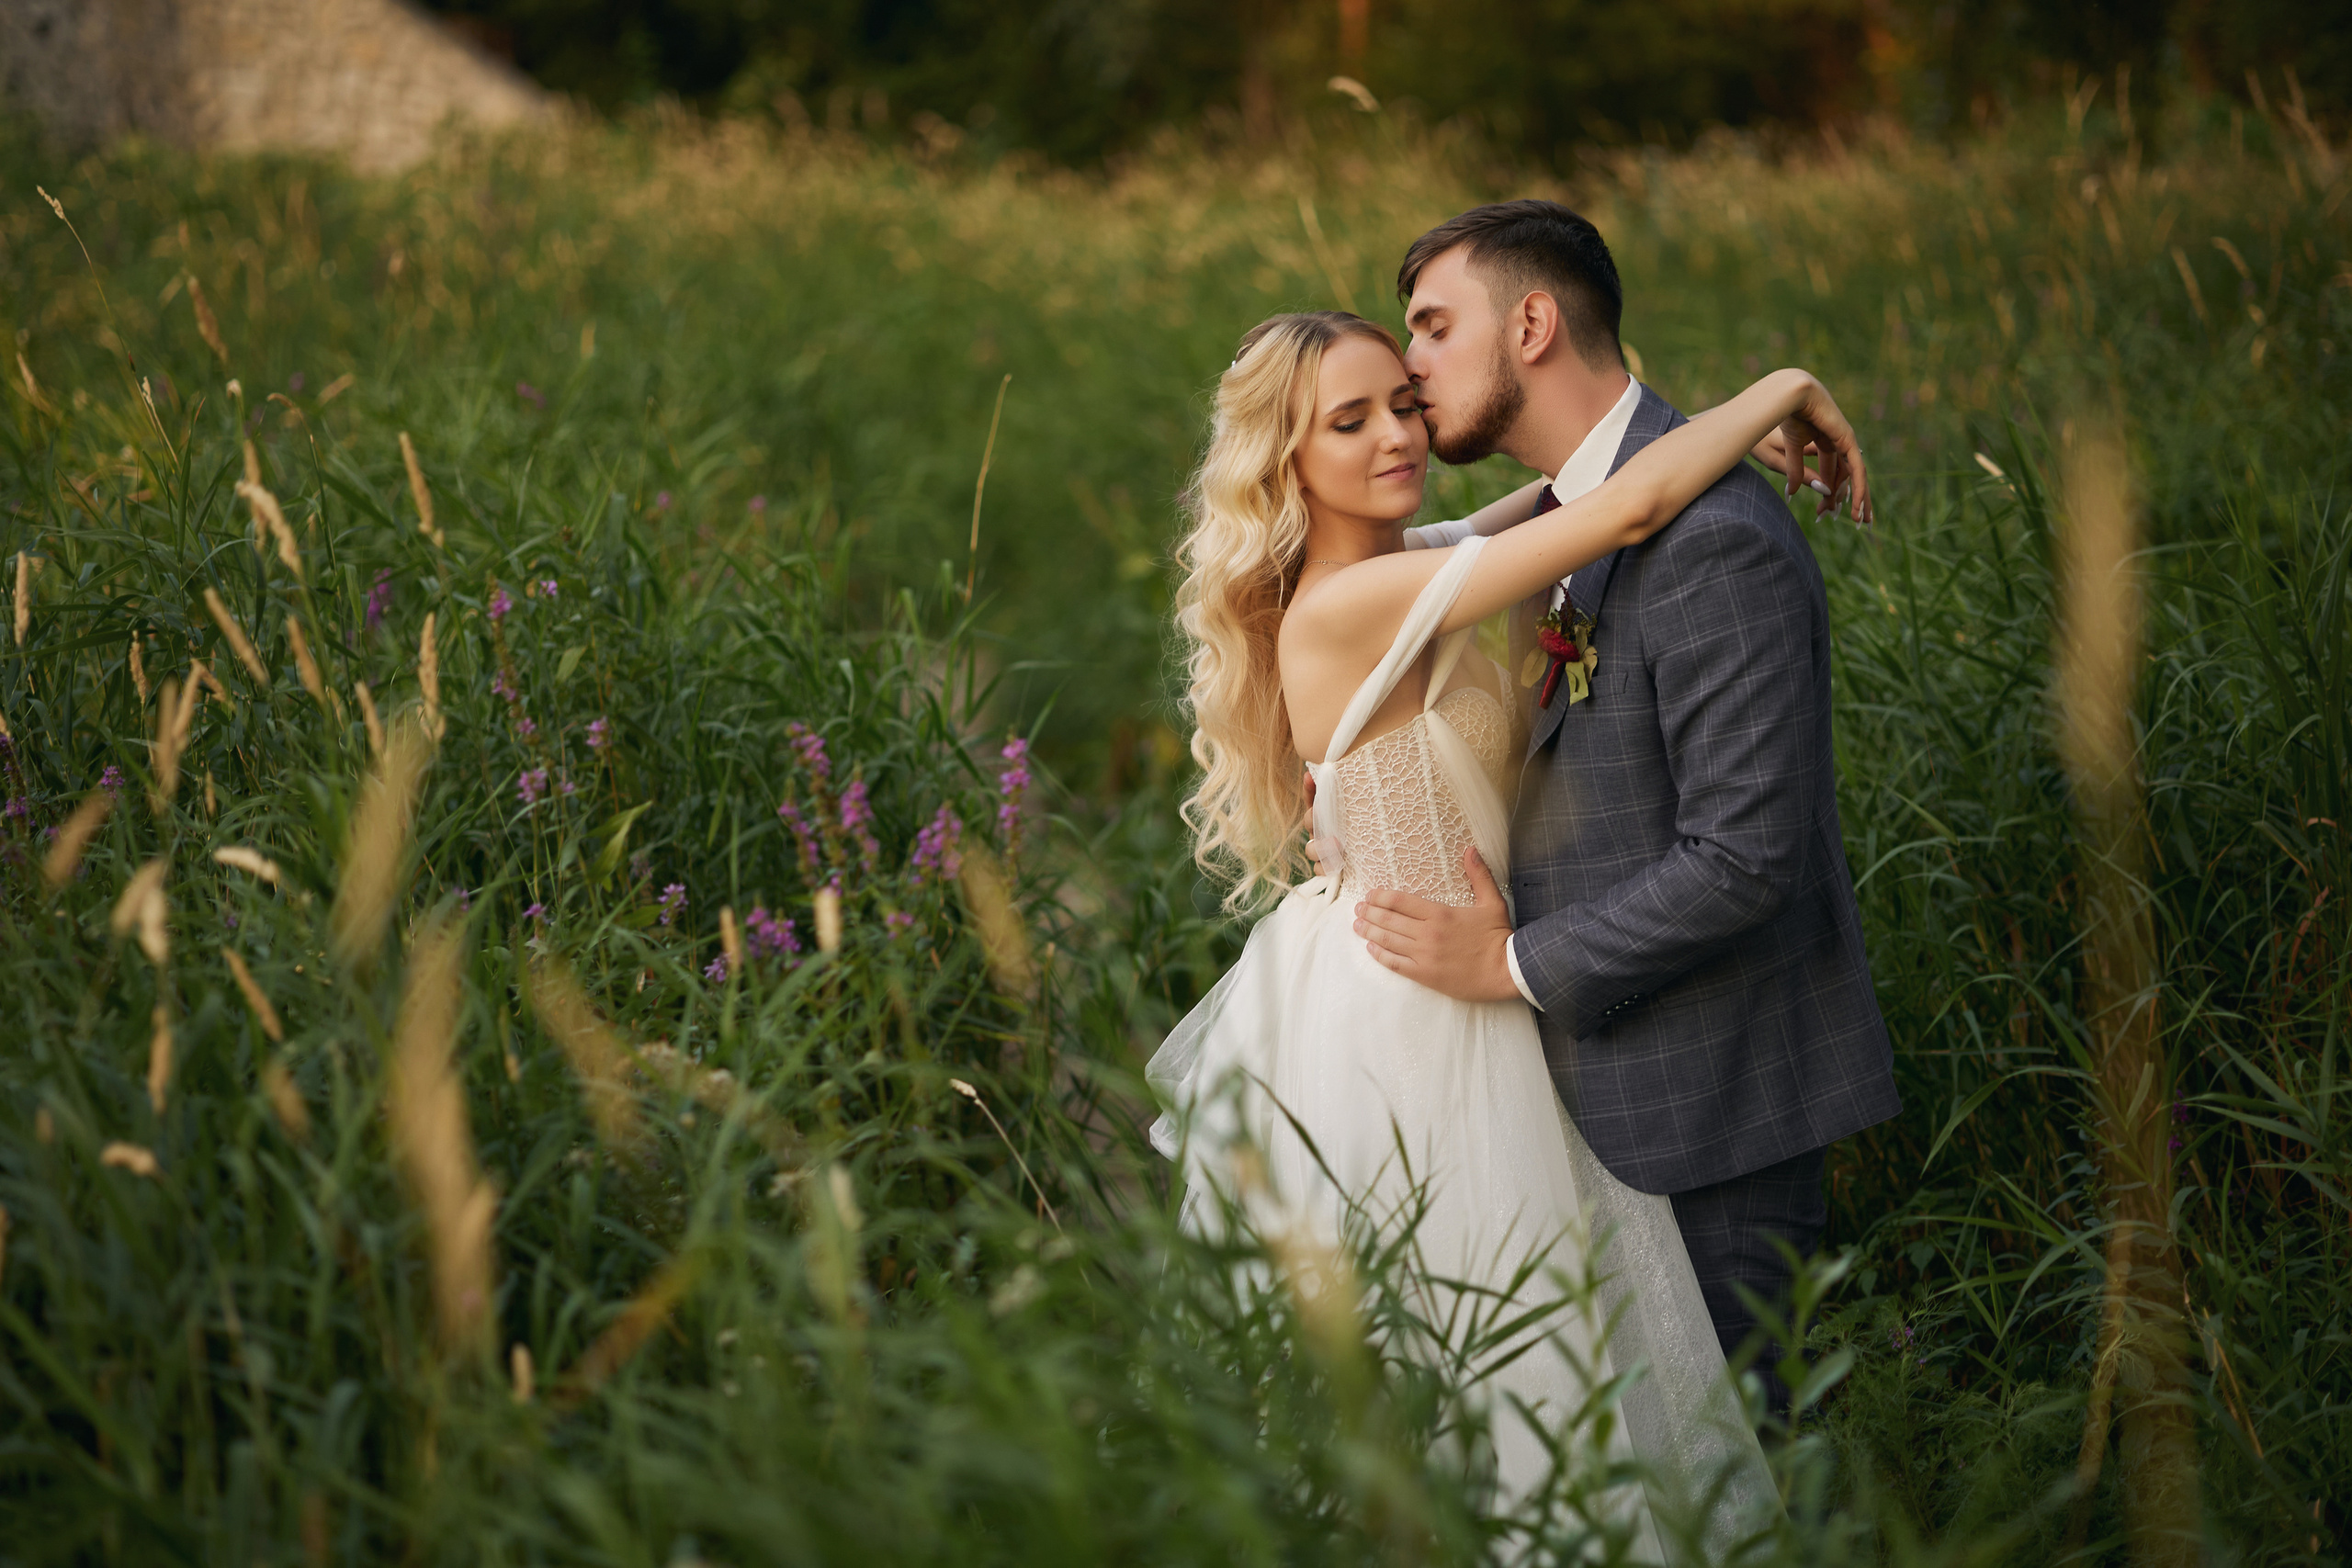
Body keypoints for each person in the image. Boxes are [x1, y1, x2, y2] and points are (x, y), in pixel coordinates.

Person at [1145, 287, 1870, 1540]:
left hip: (1465, 974)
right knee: (1490, 1350)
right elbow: (1626, 508)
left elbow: (1571, 488)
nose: (1397, 438)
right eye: (1349, 423)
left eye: (1406, 406)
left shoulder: (1407, 563)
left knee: (1540, 1351)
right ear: (1288, 463)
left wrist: (1679, 428)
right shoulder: (1347, 606)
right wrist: (1783, 388)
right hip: (1409, 1008)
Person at [1350, 201, 1905, 1404]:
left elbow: (1746, 859)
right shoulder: (1563, 516)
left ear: (1534, 322)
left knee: (1735, 1483)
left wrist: (1510, 964)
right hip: (1573, 1099)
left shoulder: (1713, 539)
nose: (1411, 367)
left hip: (1707, 1110)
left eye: (1435, 328)